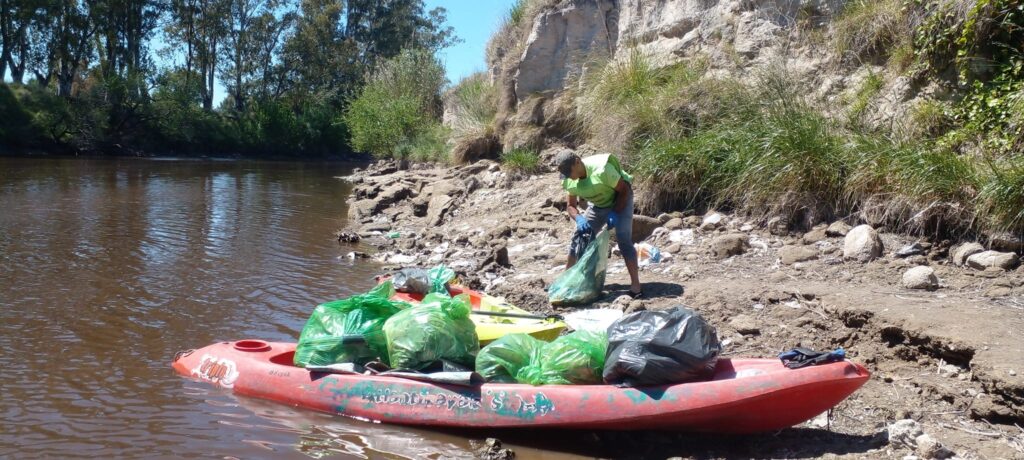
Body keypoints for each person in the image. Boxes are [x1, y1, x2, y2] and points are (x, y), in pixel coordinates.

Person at [555, 151, 642, 298]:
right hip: (597, 205)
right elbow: (571, 205)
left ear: (577, 162)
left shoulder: (602, 170)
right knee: (578, 239)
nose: (568, 176)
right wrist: (579, 218)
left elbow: (624, 190)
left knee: (623, 240)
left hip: (620, 200)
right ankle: (566, 281)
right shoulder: (568, 179)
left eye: (568, 172)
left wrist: (615, 212)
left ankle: (636, 286)